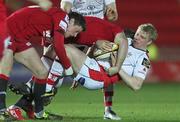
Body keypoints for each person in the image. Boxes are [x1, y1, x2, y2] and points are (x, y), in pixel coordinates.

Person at [0, 6, 86, 121]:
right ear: (71, 21)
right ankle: (1, 111)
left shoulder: (54, 20)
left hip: (20, 38)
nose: (75, 35)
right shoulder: (63, 17)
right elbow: (58, 45)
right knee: (4, 69)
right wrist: (68, 68)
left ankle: (38, 113)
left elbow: (48, 40)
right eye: (76, 31)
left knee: (41, 72)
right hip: (8, 32)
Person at [60, 0, 119, 120]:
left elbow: (113, 15)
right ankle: (33, 103)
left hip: (98, 30)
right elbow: (64, 7)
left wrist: (111, 13)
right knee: (55, 71)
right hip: (77, 31)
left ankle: (108, 109)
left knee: (108, 65)